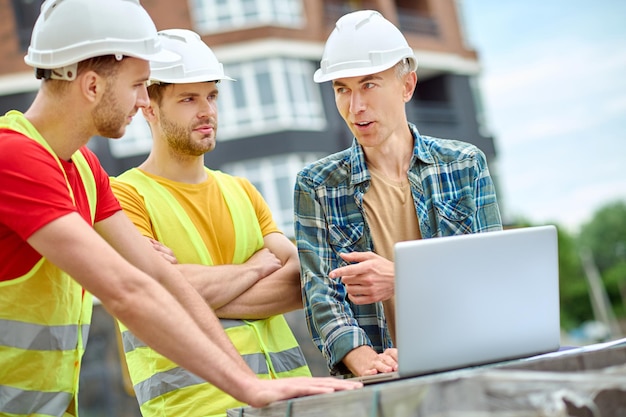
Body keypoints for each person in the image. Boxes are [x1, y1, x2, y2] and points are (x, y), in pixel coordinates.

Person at [0, 1, 360, 416]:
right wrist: (247, 385)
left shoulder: (83, 168)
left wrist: (247, 382)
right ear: (93, 86)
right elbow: (128, 290)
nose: (142, 103)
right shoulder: (15, 158)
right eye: (138, 84)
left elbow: (161, 279)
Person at [110, 29, 313, 417]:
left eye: (212, 96)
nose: (207, 111)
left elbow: (298, 280)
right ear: (149, 107)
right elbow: (152, 298)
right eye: (189, 99)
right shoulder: (124, 197)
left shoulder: (242, 190)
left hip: (290, 396)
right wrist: (254, 268)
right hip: (195, 406)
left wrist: (194, 291)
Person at [293, 10, 503, 378]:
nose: (355, 107)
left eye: (369, 85)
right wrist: (368, 363)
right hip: (380, 381)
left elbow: (492, 277)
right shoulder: (317, 185)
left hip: (469, 363)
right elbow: (322, 295)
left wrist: (403, 275)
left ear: (407, 86)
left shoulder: (464, 165)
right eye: (342, 89)